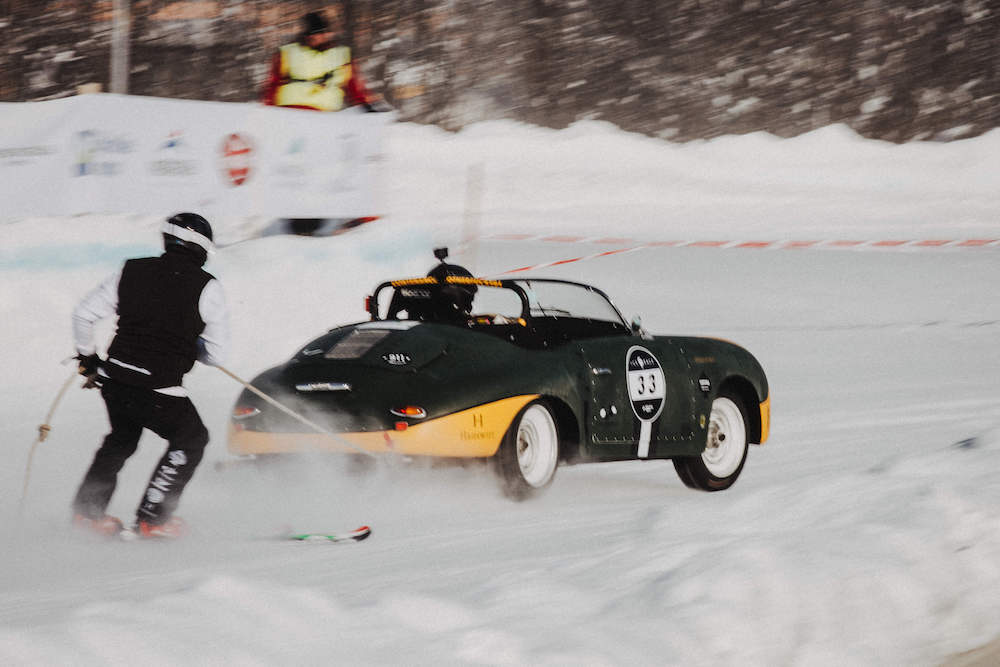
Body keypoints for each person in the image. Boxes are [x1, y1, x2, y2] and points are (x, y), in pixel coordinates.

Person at [70, 213, 230, 539]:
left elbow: (83, 314)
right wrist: (189, 346)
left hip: (114, 379)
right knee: (190, 439)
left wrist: (87, 356)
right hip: (157, 386)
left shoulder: (130, 269)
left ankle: (87, 514)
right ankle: (154, 519)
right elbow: (217, 355)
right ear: (202, 248)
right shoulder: (207, 287)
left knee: (122, 438)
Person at [262, 9, 375, 112]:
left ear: (326, 33)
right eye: (310, 34)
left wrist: (365, 105)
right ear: (305, 35)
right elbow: (273, 84)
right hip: (290, 111)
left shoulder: (342, 55)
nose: (313, 37)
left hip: (325, 114)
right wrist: (268, 110)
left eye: (318, 33)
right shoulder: (287, 53)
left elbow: (353, 86)